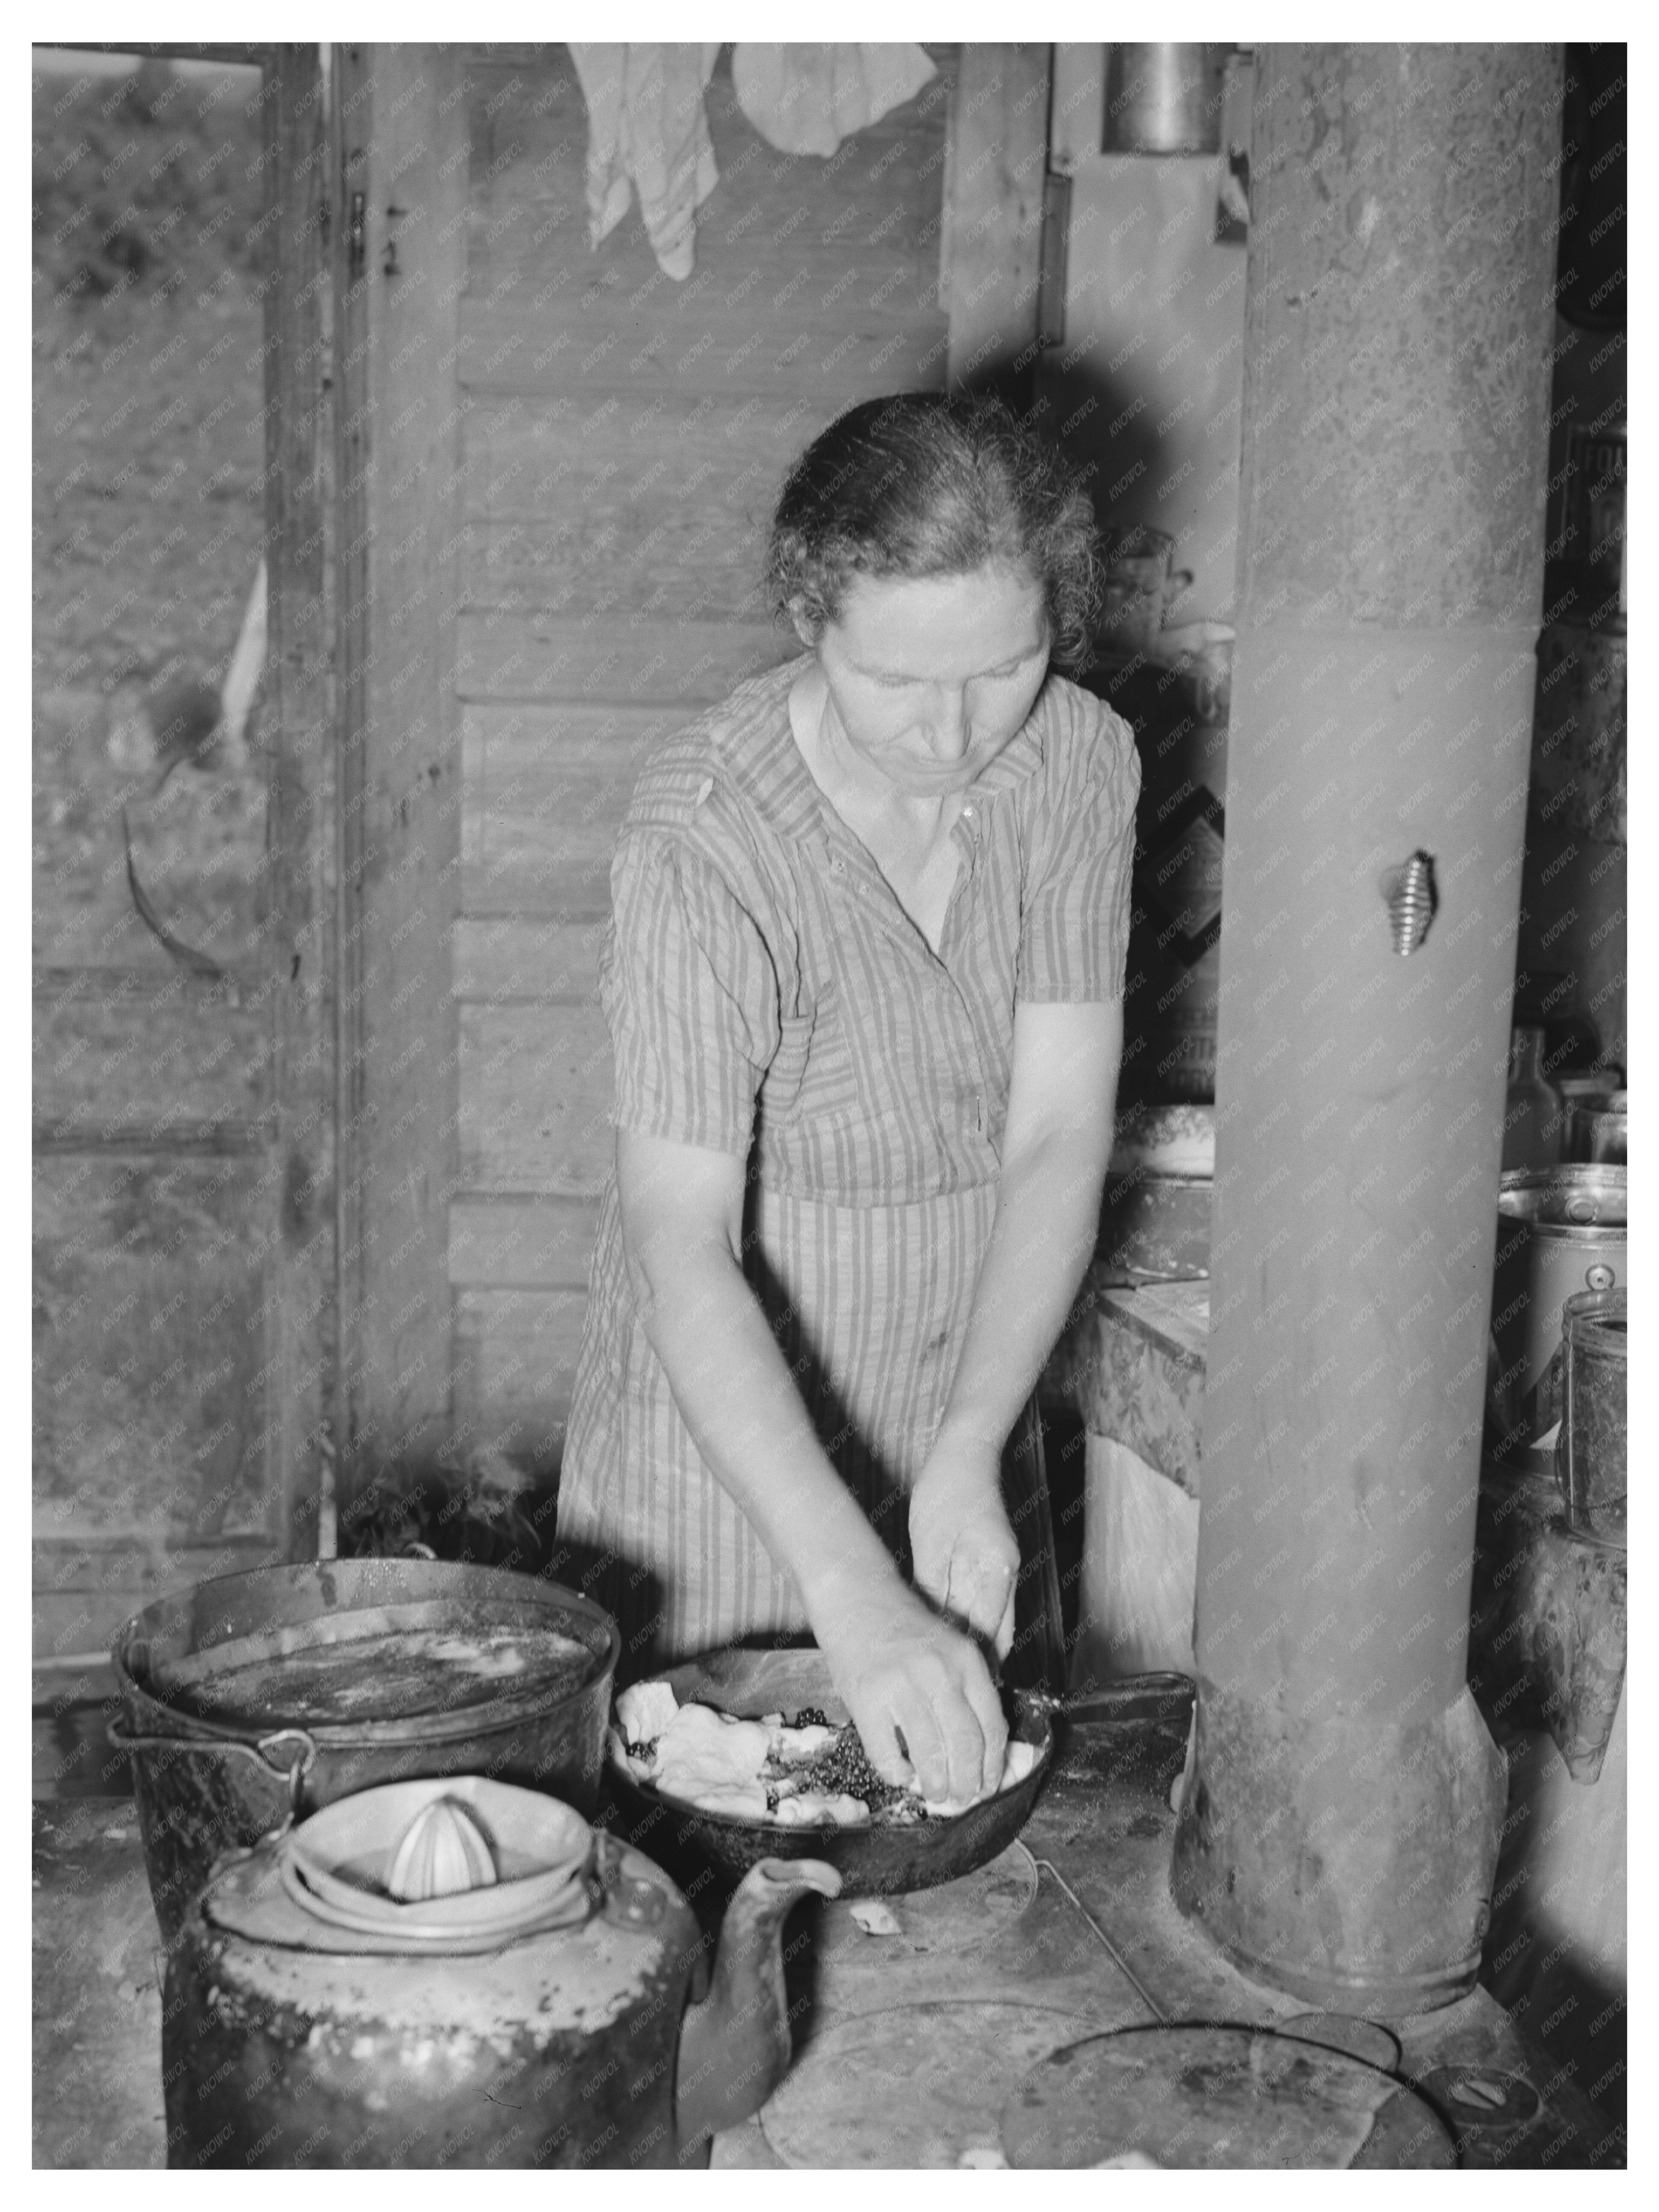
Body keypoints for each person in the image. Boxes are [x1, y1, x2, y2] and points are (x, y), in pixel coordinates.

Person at [557, 391, 1139, 1808]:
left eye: (1003, 667)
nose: (950, 733)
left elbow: (1057, 1136)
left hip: (962, 1394)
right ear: (808, 617)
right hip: (726, 1462)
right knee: (720, 1827)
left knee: (950, 1834)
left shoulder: (1076, 763)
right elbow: (682, 1241)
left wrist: (966, 1447)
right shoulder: (706, 839)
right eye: (895, 681)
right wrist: (848, 1585)